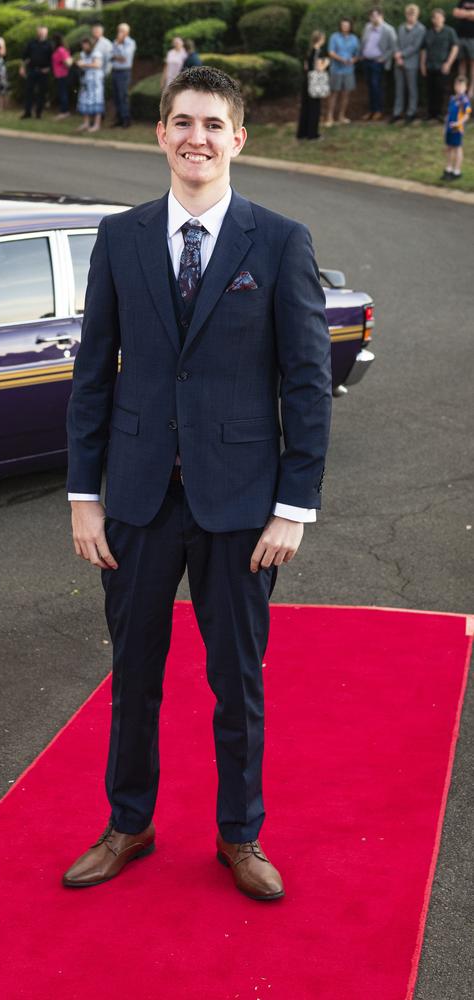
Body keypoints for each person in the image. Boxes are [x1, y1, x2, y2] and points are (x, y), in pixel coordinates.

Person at [64, 66, 331, 900]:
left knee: (237, 681)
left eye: (213, 125)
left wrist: (293, 508)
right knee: (133, 671)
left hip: (242, 506)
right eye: (182, 122)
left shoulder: (281, 241)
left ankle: (240, 835)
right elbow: (92, 375)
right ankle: (129, 824)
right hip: (137, 499)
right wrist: (84, 494)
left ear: (238, 139)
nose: (196, 138)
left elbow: (306, 384)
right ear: (160, 135)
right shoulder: (121, 237)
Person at [421, 9, 460, 121]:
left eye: (439, 17)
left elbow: (455, 47)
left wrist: (448, 63)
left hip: (443, 66)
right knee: (430, 90)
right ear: (432, 20)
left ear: (443, 18)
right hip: (430, 66)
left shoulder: (449, 31)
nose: (437, 20)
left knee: (442, 91)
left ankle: (441, 114)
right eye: (435, 18)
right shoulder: (428, 32)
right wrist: (422, 64)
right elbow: (424, 49)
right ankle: (431, 113)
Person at [360, 6, 398, 120]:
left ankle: (378, 110)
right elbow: (363, 42)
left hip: (378, 62)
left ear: (381, 16)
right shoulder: (367, 27)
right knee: (370, 87)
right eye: (372, 16)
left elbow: (393, 47)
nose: (374, 18)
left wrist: (384, 58)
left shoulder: (388, 29)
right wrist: (361, 54)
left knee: (376, 86)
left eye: (376, 16)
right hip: (366, 61)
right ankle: (371, 110)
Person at [392, 4, 426, 124]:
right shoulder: (401, 27)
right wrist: (396, 54)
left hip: (411, 63)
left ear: (417, 15)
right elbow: (396, 42)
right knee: (399, 89)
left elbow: (416, 46)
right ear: (406, 14)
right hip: (398, 63)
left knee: (412, 89)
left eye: (413, 14)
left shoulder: (421, 29)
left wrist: (401, 55)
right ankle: (397, 113)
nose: (410, 16)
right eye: (408, 14)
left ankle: (411, 112)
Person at [326, 17, 360, 125]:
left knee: (346, 94)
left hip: (349, 70)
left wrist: (353, 60)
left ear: (350, 26)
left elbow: (358, 54)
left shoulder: (354, 38)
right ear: (340, 26)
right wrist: (341, 59)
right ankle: (329, 117)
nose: (345, 27)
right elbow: (330, 52)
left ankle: (341, 116)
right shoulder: (334, 37)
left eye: (347, 25)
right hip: (336, 70)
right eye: (343, 25)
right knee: (334, 94)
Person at [297, 30, 328, 139]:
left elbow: (306, 66)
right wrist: (326, 63)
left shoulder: (309, 51)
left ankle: (302, 133)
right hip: (315, 84)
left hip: (307, 81)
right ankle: (312, 134)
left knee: (305, 107)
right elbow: (319, 68)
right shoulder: (319, 52)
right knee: (315, 108)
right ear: (321, 39)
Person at [20, 24, 53, 119]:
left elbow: (53, 60)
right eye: (40, 32)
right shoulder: (31, 43)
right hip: (32, 70)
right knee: (28, 91)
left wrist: (49, 68)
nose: (41, 34)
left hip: (43, 72)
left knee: (41, 93)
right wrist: (22, 67)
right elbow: (24, 56)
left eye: (43, 32)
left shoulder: (49, 45)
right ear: (37, 33)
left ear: (46, 33)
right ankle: (27, 112)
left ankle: (39, 113)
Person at [442, 73, 471, 177]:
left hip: (457, 129)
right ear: (455, 86)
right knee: (449, 147)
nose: (459, 88)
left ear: (466, 87)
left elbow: (467, 115)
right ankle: (448, 168)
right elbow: (449, 113)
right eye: (458, 85)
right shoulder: (452, 99)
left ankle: (457, 170)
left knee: (457, 148)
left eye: (462, 86)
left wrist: (459, 123)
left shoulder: (465, 100)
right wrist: (445, 126)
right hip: (449, 128)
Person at [75, 36, 105, 132]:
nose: (84, 46)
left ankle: (97, 124)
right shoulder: (83, 54)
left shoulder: (96, 53)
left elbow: (98, 65)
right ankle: (86, 123)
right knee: (84, 101)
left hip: (95, 82)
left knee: (96, 101)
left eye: (86, 44)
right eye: (83, 45)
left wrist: (84, 64)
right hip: (85, 81)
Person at [110, 22, 136, 127]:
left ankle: (126, 119)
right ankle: (119, 118)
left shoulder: (131, 42)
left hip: (124, 72)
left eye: (121, 31)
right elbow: (111, 55)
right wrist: (118, 54)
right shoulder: (115, 42)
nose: (119, 33)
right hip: (115, 71)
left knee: (123, 96)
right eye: (118, 30)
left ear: (126, 32)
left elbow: (125, 56)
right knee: (116, 96)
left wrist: (119, 45)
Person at [453, 0, 474, 99]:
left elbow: (460, 13)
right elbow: (455, 13)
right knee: (462, 63)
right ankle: (461, 88)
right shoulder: (462, 1)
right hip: (460, 37)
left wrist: (463, 13)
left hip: (472, 38)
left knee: (473, 64)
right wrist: (470, 13)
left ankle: (471, 90)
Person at [52, 33, 72, 119]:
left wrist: (64, 64)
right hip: (59, 74)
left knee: (63, 93)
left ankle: (64, 111)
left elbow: (68, 62)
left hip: (63, 74)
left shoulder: (61, 50)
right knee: (61, 93)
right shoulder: (59, 49)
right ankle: (63, 110)